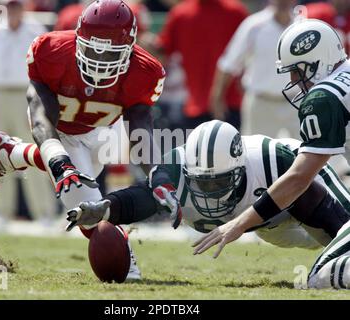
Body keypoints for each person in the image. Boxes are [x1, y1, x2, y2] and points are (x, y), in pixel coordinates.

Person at [0, 0, 168, 281]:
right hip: (62, 130)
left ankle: (11, 153)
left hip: (103, 131)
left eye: (110, 53)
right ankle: (126, 267)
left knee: (87, 175)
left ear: (130, 48)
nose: (99, 58)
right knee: (89, 207)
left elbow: (140, 127)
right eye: (93, 47)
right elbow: (42, 118)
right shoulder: (51, 50)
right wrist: (59, 161)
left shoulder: (146, 72)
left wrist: (157, 176)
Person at [65, 120, 350, 288]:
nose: (208, 191)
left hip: (295, 199)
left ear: (240, 169)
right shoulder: (178, 167)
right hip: (268, 226)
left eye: (218, 183)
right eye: (201, 182)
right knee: (294, 240)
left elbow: (304, 183)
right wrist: (106, 208)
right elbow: (143, 196)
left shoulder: (272, 159)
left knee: (339, 235)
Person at [192, 19, 350, 289]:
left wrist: (240, 223)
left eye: (297, 70)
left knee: (321, 278)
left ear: (318, 60)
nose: (292, 80)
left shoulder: (325, 97)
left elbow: (299, 178)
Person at [0, 0, 55, 228]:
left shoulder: (35, 31)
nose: (13, 9)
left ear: (23, 7)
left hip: (27, 96)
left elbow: (45, 72)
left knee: (34, 154)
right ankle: (0, 213)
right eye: (9, 5)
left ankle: (44, 213)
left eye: (16, 5)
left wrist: (40, 106)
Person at [212, 0, 300, 139]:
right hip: (260, 103)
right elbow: (229, 63)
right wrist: (217, 98)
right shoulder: (253, 25)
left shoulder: (303, 25)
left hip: (297, 103)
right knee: (256, 155)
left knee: (303, 154)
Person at [156, 0, 248, 130]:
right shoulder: (180, 14)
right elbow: (162, 52)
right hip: (201, 107)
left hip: (228, 106)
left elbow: (162, 53)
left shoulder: (236, 12)